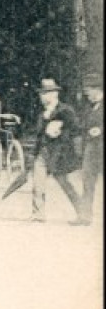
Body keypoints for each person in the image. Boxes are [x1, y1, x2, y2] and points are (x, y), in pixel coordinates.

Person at [24, 78, 85, 223]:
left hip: (59, 153)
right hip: (43, 153)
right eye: (41, 94)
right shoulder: (41, 115)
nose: (42, 97)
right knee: (38, 185)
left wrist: (61, 131)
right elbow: (38, 137)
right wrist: (33, 154)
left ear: (55, 94)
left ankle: (82, 212)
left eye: (46, 93)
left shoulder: (65, 111)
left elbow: (76, 131)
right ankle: (38, 214)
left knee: (65, 184)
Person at [79, 73, 102, 226]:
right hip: (90, 149)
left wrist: (101, 129)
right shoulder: (87, 106)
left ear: (97, 89)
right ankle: (85, 216)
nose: (86, 93)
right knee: (87, 182)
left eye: (89, 89)